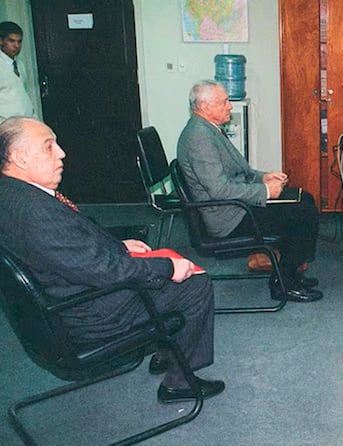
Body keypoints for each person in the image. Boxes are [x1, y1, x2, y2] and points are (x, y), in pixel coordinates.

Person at [0, 117, 224, 403]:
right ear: (19, 158)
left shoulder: (12, 193)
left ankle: (168, 354)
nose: (61, 153)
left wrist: (118, 245)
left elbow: (69, 246)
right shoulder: (36, 212)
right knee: (195, 283)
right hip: (89, 313)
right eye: (49, 146)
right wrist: (168, 268)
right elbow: (102, 270)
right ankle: (179, 383)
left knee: (161, 266)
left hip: (65, 294)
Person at [176, 80, 322, 303]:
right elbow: (218, 188)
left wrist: (262, 177)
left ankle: (289, 271)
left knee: (305, 199)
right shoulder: (199, 137)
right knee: (300, 213)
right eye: (224, 102)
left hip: (234, 206)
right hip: (228, 217)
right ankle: (284, 284)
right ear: (205, 106)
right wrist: (263, 191)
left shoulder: (208, 129)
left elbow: (237, 172)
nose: (229, 106)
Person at [0, 21, 35, 122]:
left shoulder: (20, 64)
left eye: (19, 41)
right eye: (11, 41)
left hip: (25, 121)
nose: (16, 45)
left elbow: (21, 93)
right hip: (5, 124)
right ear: (1, 41)